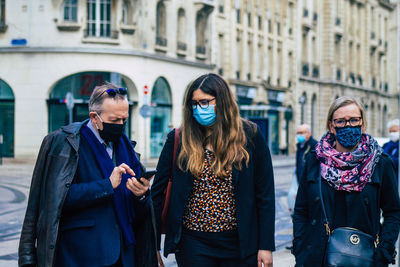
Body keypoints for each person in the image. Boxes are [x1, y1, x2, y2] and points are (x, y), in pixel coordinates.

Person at [18, 83, 157, 267]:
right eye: (115, 120)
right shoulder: (64, 143)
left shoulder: (127, 148)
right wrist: (107, 185)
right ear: (94, 117)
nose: (121, 125)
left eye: (124, 120)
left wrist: (141, 195)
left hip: (125, 255)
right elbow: (52, 200)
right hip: (81, 255)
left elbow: (138, 212)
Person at [151, 73, 275, 267]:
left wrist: (266, 246)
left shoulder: (250, 135)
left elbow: (265, 195)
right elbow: (157, 194)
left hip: (239, 243)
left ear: (222, 101)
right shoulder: (179, 138)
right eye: (194, 103)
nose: (198, 108)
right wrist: (153, 245)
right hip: (193, 243)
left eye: (205, 102)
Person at [293, 96, 400, 267]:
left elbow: (393, 212)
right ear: (331, 126)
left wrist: (383, 253)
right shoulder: (315, 160)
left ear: (362, 124)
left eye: (354, 120)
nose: (348, 126)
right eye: (341, 121)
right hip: (316, 257)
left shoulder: (380, 163)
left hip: (363, 258)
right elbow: (301, 209)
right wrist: (300, 247)